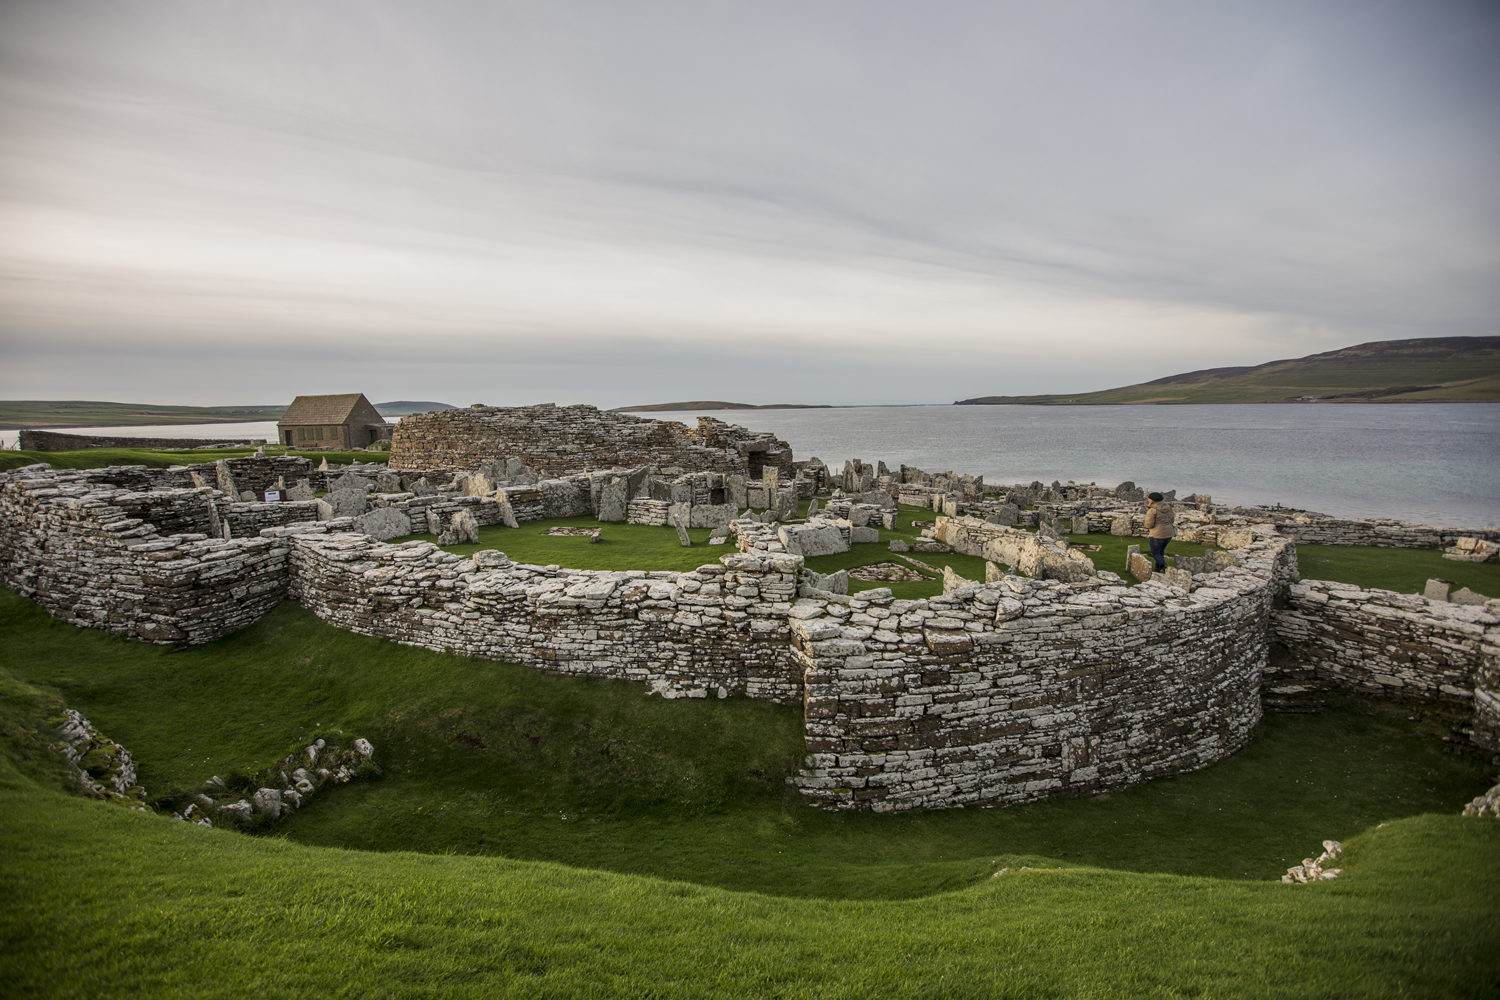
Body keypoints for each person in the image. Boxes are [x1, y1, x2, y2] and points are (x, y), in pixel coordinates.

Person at [1144, 492, 1175, 571]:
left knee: (1155, 553)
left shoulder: (1152, 510)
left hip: (1157, 534)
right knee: (1161, 551)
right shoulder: (1167, 507)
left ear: (1152, 500)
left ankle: (1165, 567)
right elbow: (1172, 519)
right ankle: (1157, 570)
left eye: (1149, 498)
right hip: (1169, 533)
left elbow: (1149, 524)